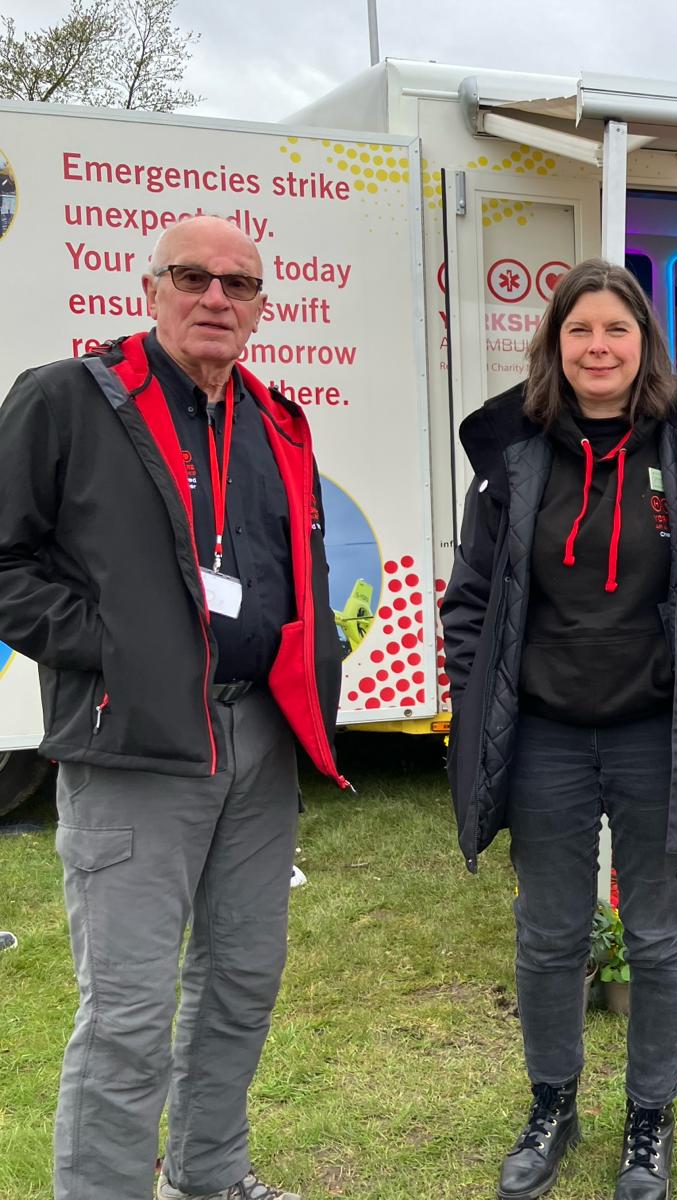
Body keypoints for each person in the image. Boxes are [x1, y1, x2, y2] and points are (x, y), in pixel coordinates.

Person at [0, 214, 345, 1200]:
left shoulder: (274, 419)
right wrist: (112, 651)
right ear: (149, 289)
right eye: (193, 277)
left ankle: (209, 1175)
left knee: (241, 981)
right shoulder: (70, 399)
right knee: (127, 1015)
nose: (215, 299)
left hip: (256, 742)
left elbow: (292, 572)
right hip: (134, 748)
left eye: (239, 286)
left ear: (259, 310)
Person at [441, 259, 677, 1200]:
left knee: (662, 933)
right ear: (555, 344)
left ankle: (649, 1121)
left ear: (643, 346)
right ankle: (553, 1104)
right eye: (579, 330)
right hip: (544, 732)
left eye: (616, 331)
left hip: (660, 733)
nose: (598, 347)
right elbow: (472, 597)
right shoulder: (518, 456)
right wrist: (475, 689)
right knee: (549, 933)